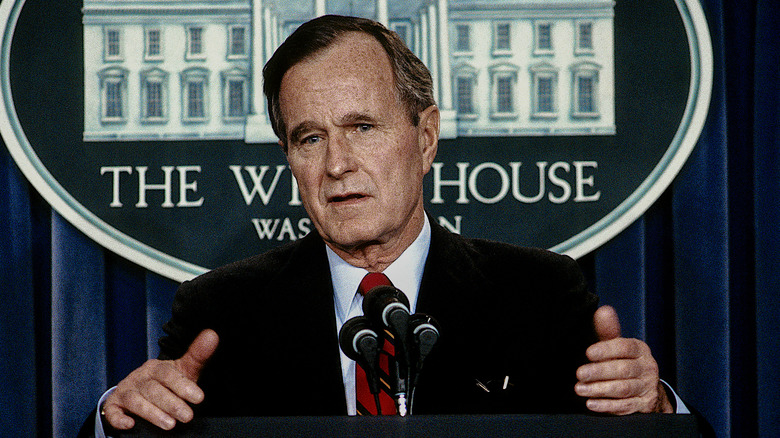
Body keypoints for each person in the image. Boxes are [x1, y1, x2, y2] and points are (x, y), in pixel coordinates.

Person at [86, 14, 687, 435]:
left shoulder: (539, 294)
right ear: (289, 158)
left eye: (362, 128)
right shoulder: (221, 312)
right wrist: (123, 416)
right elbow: (149, 419)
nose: (337, 164)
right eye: (309, 138)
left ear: (425, 139)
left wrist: (654, 410)